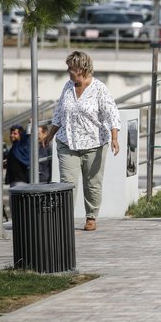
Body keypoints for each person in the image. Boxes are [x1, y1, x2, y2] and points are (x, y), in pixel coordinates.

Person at [43, 51, 120, 231]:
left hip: (94, 144)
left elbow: (112, 113)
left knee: (92, 182)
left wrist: (114, 137)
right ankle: (64, 218)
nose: (68, 71)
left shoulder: (99, 89)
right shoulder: (68, 86)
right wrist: (50, 134)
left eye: (71, 68)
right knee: (67, 183)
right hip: (67, 143)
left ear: (82, 68)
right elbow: (59, 112)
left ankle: (91, 216)